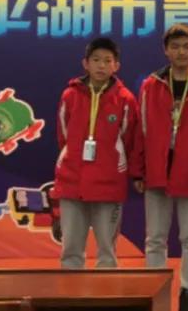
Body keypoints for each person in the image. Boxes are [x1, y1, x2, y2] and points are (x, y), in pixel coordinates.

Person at [131, 23, 188, 311]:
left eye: (187, 46)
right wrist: (138, 170)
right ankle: (154, 291)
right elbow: (140, 129)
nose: (181, 52)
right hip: (156, 171)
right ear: (166, 51)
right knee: (155, 238)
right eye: (175, 47)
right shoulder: (151, 85)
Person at [53, 37, 138, 269]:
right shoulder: (69, 96)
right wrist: (71, 157)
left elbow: (129, 139)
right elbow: (63, 135)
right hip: (72, 181)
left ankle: (106, 290)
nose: (101, 65)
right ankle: (70, 291)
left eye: (107, 61)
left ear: (116, 66)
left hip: (109, 183)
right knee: (71, 250)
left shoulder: (125, 99)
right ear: (86, 63)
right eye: (96, 60)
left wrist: (113, 161)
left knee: (107, 252)